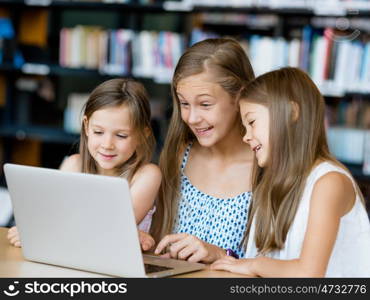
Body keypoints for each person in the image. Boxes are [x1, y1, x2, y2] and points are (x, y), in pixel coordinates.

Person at [211, 67, 370, 277]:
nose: (245, 136)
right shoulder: (272, 183)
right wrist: (221, 255)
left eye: (251, 122)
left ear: (291, 113)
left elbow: (308, 274)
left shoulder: (329, 182)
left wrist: (254, 265)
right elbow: (273, 266)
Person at [7, 78, 161, 251]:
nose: (107, 144)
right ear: (86, 127)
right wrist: (33, 230)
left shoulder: (147, 175)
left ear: (143, 134)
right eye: (98, 132)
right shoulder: (74, 164)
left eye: (121, 136)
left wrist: (52, 229)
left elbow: (115, 228)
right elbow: (52, 215)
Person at [152, 38, 256, 263]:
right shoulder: (178, 156)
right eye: (184, 103)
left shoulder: (264, 167)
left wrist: (220, 255)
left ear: (240, 97)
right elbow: (157, 242)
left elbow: (277, 268)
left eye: (205, 104)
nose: (192, 118)